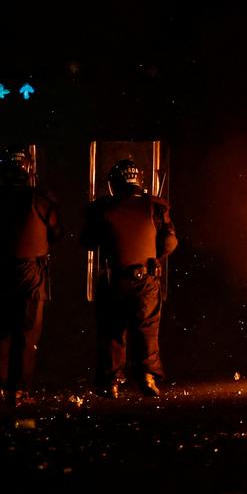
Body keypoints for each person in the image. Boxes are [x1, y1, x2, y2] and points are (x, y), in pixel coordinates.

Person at [80, 158, 178, 400]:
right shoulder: (155, 206)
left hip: (114, 278)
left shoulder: (102, 207)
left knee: (112, 331)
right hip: (145, 277)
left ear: (114, 183)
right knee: (147, 329)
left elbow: (87, 241)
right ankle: (147, 377)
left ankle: (110, 382)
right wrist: (155, 256)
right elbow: (170, 241)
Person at [0, 147, 60, 405]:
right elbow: (57, 232)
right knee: (27, 331)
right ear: (28, 169)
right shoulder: (38, 198)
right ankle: (18, 389)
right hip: (28, 273)